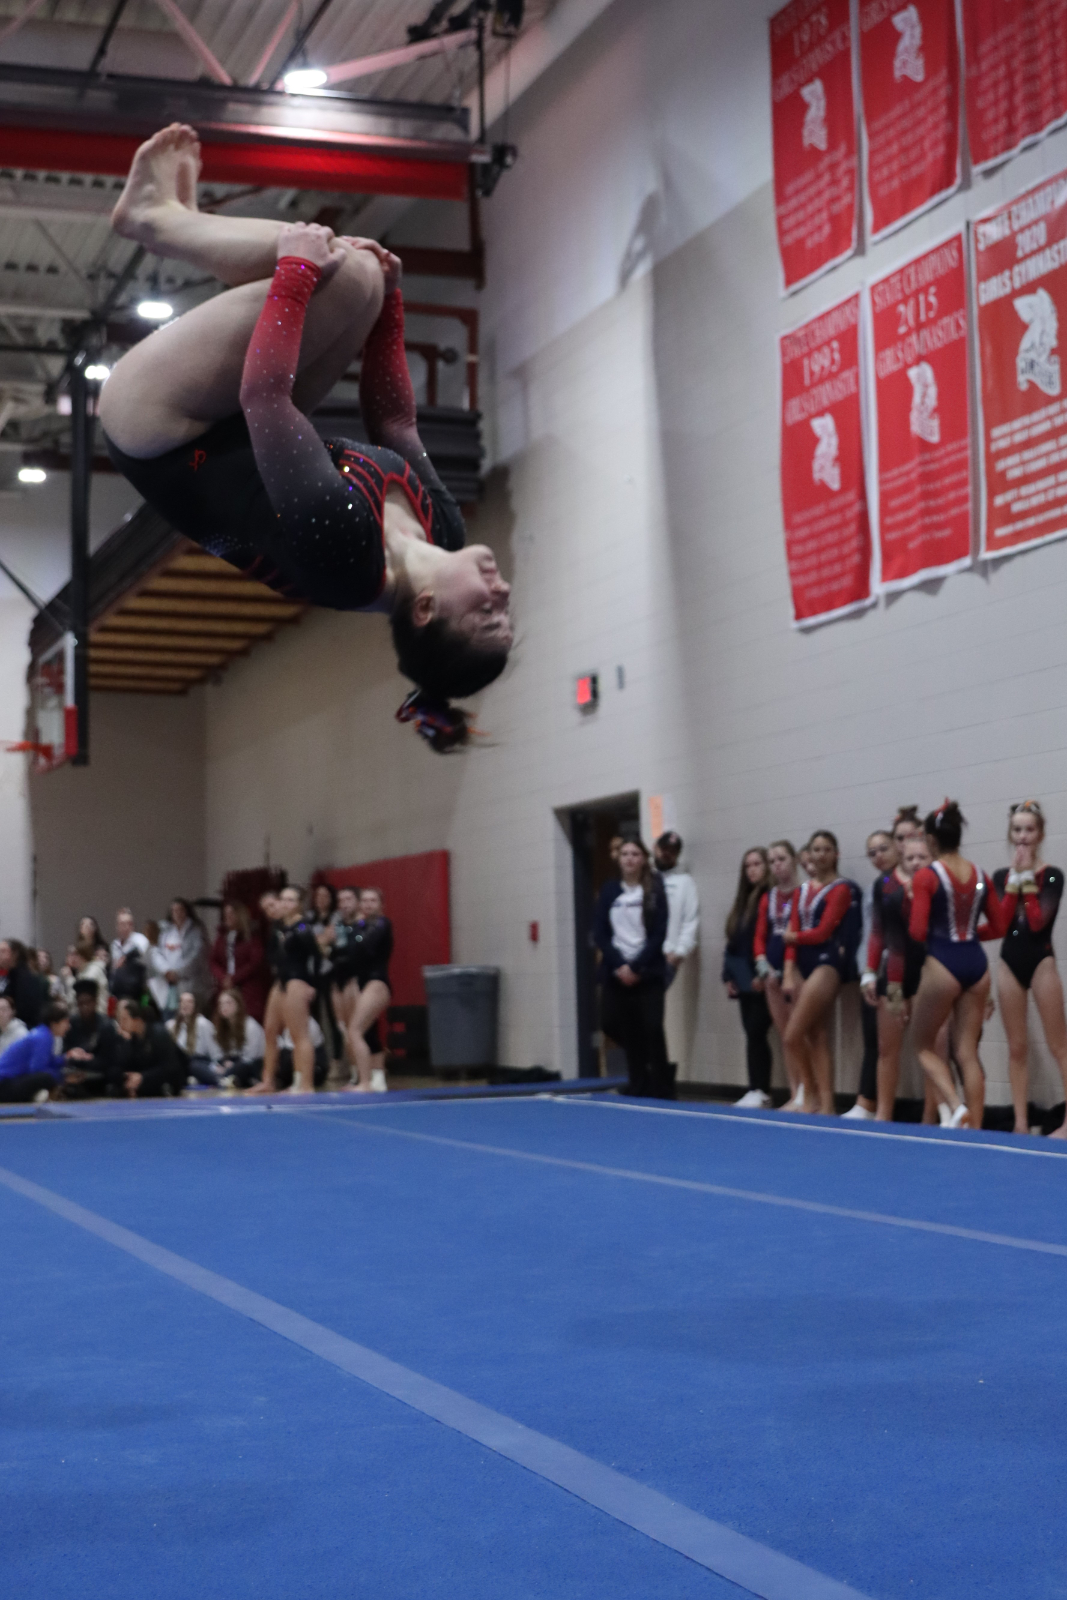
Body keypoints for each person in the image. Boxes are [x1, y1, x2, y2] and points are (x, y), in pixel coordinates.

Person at [101, 125, 512, 753]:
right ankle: (177, 218)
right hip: (232, 427)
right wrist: (391, 311)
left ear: (426, 610)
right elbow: (396, 425)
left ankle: (155, 219)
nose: (502, 592)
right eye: (506, 610)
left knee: (337, 272)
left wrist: (295, 270)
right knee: (366, 280)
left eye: (486, 612)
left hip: (162, 428)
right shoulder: (444, 532)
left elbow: (265, 399)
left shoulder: (342, 558)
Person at [908, 801, 1015, 1130]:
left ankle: (956, 1107)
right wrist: (968, 936)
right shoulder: (980, 875)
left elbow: (917, 931)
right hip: (976, 964)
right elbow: (1000, 926)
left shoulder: (927, 876)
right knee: (967, 1051)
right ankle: (976, 1129)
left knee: (922, 1045)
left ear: (931, 840)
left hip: (943, 961)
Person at [991, 800, 1067, 1137]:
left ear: (1040, 834)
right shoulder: (1000, 877)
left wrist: (1027, 879)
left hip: (1041, 960)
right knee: (1017, 1047)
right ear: (1011, 834)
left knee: (1059, 1046)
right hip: (1009, 961)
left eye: (1029, 830)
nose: (1022, 836)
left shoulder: (1052, 875)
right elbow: (1001, 922)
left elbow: (1037, 923)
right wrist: (1014, 880)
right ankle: (1021, 1123)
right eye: (1017, 830)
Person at [781, 831, 861, 1116]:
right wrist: (788, 971)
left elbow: (823, 931)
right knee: (816, 1034)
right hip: (801, 963)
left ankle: (812, 1094)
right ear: (809, 854)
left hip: (827, 963)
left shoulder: (841, 889)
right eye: (816, 849)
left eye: (827, 849)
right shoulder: (801, 890)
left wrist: (794, 938)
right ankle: (825, 1106)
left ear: (836, 854)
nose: (821, 854)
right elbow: (793, 928)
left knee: (792, 1036)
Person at [858, 820, 932, 1122]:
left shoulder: (936, 879)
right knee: (887, 1048)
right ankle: (883, 1115)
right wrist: (869, 971)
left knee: (933, 1049)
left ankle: (931, 1119)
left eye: (911, 837)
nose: (905, 844)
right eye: (899, 838)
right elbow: (879, 932)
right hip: (896, 970)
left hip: (932, 970)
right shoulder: (886, 884)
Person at [594, 839, 671, 1098]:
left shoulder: (654, 890)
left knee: (652, 1027)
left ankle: (662, 1087)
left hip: (647, 971)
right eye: (625, 854)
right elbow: (601, 933)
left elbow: (659, 932)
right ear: (619, 859)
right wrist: (619, 964)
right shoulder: (609, 890)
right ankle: (639, 1081)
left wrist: (637, 966)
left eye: (635, 854)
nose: (629, 858)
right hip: (617, 971)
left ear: (643, 858)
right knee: (614, 1024)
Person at [753, 841, 805, 1109]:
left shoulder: (804, 893)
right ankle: (795, 1092)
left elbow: (798, 934)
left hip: (797, 967)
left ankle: (808, 1090)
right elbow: (759, 936)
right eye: (772, 861)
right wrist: (762, 965)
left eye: (781, 859)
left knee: (799, 1033)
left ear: (794, 860)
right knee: (786, 1035)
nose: (777, 865)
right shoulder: (769, 897)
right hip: (772, 971)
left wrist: (788, 971)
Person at [254, 885, 320, 1094]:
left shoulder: (303, 927)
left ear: (299, 904)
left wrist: (312, 984)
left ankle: (305, 1083)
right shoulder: (280, 927)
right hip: (281, 980)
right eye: (283, 899)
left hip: (297, 980)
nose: (285, 903)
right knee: (270, 1030)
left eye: (291, 900)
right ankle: (268, 1080)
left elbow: (316, 956)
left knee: (298, 1034)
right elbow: (272, 955)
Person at [722, 847, 773, 1108]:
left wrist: (762, 973)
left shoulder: (769, 898)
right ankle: (755, 1087)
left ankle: (761, 1088)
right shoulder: (742, 903)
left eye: (757, 864)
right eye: (748, 866)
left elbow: (768, 940)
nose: (752, 870)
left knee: (757, 1031)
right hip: (742, 975)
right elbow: (733, 943)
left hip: (761, 974)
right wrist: (728, 975)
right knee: (751, 1034)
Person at [338, 888, 393, 1094]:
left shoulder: (382, 923)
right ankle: (377, 1079)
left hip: (377, 982)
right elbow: (348, 951)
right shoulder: (360, 925)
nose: (368, 904)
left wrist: (356, 931)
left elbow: (365, 946)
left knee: (355, 1031)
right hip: (362, 981)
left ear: (381, 905)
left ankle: (364, 1081)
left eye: (373, 900)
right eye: (365, 901)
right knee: (367, 1031)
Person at [113, 997, 188, 1098]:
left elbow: (169, 1067)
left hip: (169, 1083)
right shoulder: (133, 1038)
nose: (121, 1024)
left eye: (125, 1019)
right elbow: (125, 1065)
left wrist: (143, 1077)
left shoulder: (159, 1034)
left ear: (137, 1020)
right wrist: (130, 1077)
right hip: (149, 1081)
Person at [209, 900, 269, 1021]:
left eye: (231, 913)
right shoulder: (222, 936)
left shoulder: (251, 936)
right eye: (226, 914)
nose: (228, 917)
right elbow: (213, 960)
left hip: (247, 986)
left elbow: (255, 962)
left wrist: (234, 978)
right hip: (225, 985)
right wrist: (222, 977)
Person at [61, 980, 120, 1099]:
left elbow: (109, 1061)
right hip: (75, 1074)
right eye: (81, 1003)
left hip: (100, 1076)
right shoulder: (72, 1023)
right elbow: (65, 1053)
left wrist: (84, 1059)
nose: (85, 1007)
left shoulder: (106, 1026)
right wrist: (73, 1055)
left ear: (95, 1002)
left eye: (88, 1002)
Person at [153, 898, 212, 1015]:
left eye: (180, 910)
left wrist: (178, 973)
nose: (177, 914)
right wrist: (166, 970)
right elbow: (157, 952)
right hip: (168, 985)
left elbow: (197, 956)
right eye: (174, 910)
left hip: (190, 985)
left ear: (186, 911)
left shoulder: (196, 931)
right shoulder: (166, 931)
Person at [0, 1003, 69, 1102]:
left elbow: (48, 1062)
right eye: (66, 1022)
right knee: (47, 1077)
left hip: (8, 1082)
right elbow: (38, 1070)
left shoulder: (43, 1033)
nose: (68, 1027)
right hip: (4, 1085)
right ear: (54, 1023)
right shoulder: (43, 1037)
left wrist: (66, 1059)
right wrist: (64, 1077)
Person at [210, 989, 266, 1089]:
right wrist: (223, 1063)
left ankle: (222, 1079)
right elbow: (218, 1053)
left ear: (238, 1005)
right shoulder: (221, 1028)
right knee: (198, 1064)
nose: (224, 1007)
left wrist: (233, 1065)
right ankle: (223, 1078)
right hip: (233, 1062)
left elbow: (250, 1057)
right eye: (221, 1004)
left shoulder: (250, 1025)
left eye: (228, 1003)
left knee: (241, 1068)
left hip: (254, 1064)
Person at [168, 989, 219, 1086]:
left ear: (195, 1005)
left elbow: (214, 1049)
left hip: (198, 1061)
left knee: (192, 1065)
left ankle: (218, 1080)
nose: (185, 1005)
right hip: (179, 1063)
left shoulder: (203, 1024)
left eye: (189, 1002)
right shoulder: (170, 1025)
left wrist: (217, 1064)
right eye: (182, 1001)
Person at [0, 939, 46, 1028]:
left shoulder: (26, 977)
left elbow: (25, 1011)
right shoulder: (11, 976)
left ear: (15, 954)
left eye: (3, 951)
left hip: (25, 1028)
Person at [110, 907, 150, 1001]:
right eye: (122, 924)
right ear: (117, 926)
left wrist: (126, 959)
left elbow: (142, 956)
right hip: (119, 990)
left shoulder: (140, 940)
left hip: (136, 990)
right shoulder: (114, 945)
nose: (126, 927)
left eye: (129, 923)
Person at [62, 940, 110, 1014]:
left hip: (95, 1015)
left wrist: (69, 979)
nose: (72, 958)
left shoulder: (92, 972)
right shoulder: (82, 971)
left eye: (75, 955)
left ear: (83, 955)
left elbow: (79, 997)